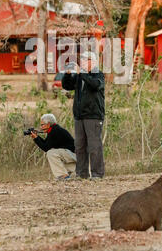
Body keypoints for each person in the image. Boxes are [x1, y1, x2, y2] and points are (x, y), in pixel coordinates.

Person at [62, 51, 105, 180]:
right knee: (79, 146)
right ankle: (81, 174)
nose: (83, 63)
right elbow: (67, 85)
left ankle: (97, 174)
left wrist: (82, 73)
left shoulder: (99, 74)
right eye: (82, 60)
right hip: (79, 116)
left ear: (93, 61)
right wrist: (68, 75)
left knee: (94, 146)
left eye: (86, 60)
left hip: (93, 115)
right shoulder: (80, 76)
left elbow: (95, 85)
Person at [30, 113, 76, 180]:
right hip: (72, 155)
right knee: (55, 156)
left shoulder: (55, 131)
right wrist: (37, 137)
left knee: (51, 153)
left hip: (73, 155)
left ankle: (62, 175)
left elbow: (46, 148)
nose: (41, 127)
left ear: (48, 124)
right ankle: (76, 169)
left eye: (42, 125)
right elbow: (46, 144)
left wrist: (36, 138)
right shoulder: (54, 129)